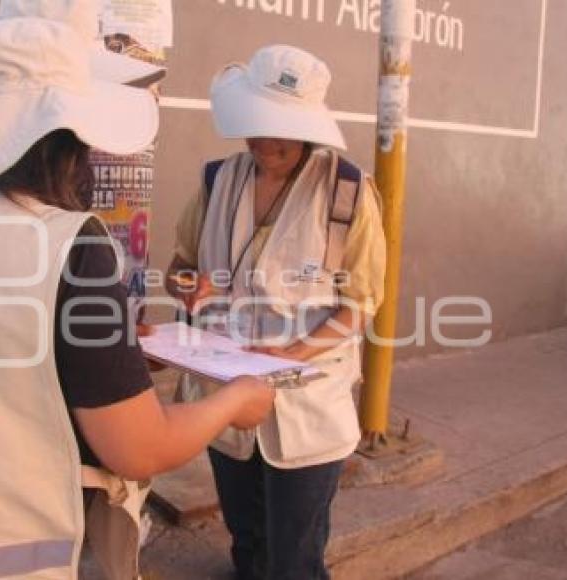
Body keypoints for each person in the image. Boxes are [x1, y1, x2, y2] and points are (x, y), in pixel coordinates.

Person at [0, 18, 274, 579]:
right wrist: (235, 401)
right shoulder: (69, 246)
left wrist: (100, 358)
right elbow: (140, 449)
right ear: (62, 136)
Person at [166, 45, 386, 580]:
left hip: (309, 402)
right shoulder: (217, 180)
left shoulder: (348, 193)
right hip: (225, 395)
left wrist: (290, 354)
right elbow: (180, 264)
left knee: (296, 556)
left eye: (280, 129)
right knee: (246, 538)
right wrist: (188, 286)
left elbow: (361, 304)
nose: (266, 142)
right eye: (256, 125)